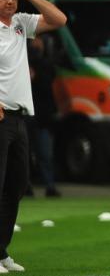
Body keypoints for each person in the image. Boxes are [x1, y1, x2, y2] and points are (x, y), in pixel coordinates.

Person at [0, 0, 67, 275]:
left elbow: (59, 20)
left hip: (19, 118)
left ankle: (1, 252)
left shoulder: (20, 23)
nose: (10, 2)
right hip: (0, 117)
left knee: (16, 185)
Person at [25, 35, 59, 197]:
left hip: (42, 117)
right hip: (27, 115)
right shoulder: (22, 63)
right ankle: (26, 185)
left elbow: (47, 84)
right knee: (25, 154)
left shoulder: (45, 65)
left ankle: (49, 185)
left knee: (45, 154)